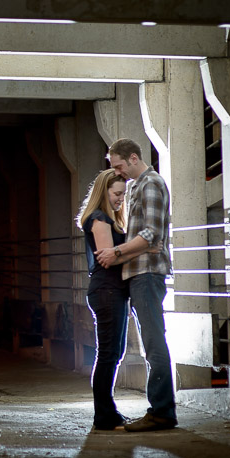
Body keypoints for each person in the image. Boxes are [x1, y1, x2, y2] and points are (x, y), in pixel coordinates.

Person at [95, 138, 178, 432]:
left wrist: (118, 251)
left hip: (147, 275)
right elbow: (147, 240)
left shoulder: (150, 183)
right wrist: (133, 250)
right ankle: (161, 409)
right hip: (140, 273)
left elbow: (152, 234)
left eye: (119, 166)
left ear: (132, 158)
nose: (119, 172)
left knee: (154, 344)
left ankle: (162, 411)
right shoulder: (137, 187)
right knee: (151, 343)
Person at [77, 169, 130, 430]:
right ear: (104, 192)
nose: (121, 198)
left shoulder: (108, 218)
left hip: (112, 291)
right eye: (117, 193)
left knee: (114, 353)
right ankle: (103, 416)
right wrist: (139, 248)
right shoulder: (99, 218)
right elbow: (109, 258)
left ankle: (108, 412)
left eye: (123, 193)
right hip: (106, 290)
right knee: (108, 354)